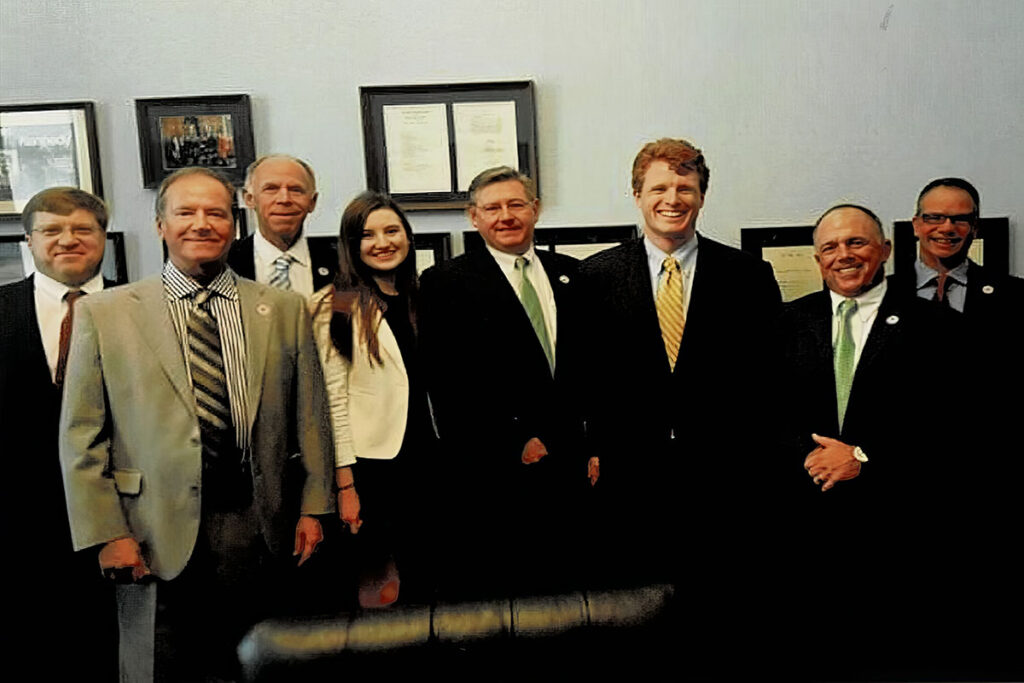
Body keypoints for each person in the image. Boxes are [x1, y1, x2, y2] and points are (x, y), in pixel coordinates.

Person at [59, 167, 335, 681]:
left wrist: (316, 507)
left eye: (217, 213)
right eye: (186, 212)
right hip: (150, 528)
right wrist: (106, 533)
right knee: (158, 666)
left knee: (261, 664)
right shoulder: (106, 313)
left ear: (235, 223)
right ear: (160, 224)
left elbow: (311, 417)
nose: (201, 224)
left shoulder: (281, 308)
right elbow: (81, 437)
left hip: (259, 522)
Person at [578, 138, 781, 586]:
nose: (673, 199)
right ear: (637, 196)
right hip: (629, 482)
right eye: (659, 189)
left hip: (725, 482)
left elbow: (769, 382)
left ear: (702, 197)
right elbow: (584, 378)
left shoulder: (748, 276)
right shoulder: (595, 277)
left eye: (685, 188)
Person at [418, 166, 585, 599]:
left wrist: (591, 443)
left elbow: (591, 367)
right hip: (496, 472)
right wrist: (515, 442)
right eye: (492, 208)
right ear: (474, 218)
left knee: (572, 589)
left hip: (573, 466)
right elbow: (448, 384)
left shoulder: (572, 274)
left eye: (516, 205)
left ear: (536, 210)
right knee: (510, 593)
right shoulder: (444, 283)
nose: (505, 216)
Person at [0, 187, 116, 678]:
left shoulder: (142, 307)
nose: (67, 239)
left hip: (118, 523)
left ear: (102, 238)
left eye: (82, 229)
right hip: (17, 530)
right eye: (52, 230)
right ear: (29, 241)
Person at [308, 191, 436, 607]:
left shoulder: (421, 297)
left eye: (392, 230)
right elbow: (333, 401)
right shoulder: (338, 303)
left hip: (427, 458)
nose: (382, 242)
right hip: (372, 469)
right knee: (380, 587)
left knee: (425, 579)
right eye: (367, 235)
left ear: (408, 237)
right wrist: (346, 484)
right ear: (350, 244)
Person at [228, 154, 336, 294]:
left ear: (312, 202)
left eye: (296, 190)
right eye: (271, 189)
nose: (284, 199)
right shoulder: (224, 263)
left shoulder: (341, 264)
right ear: (249, 199)